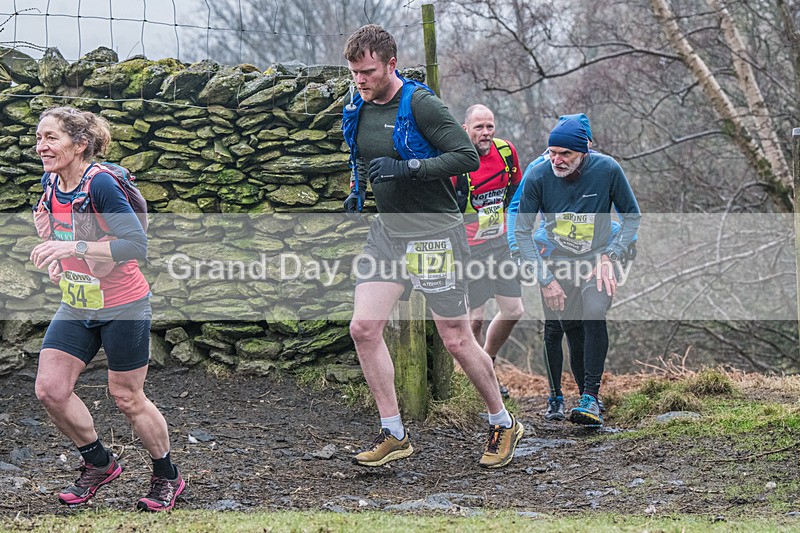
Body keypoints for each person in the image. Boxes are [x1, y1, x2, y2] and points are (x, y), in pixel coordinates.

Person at [342, 24, 523, 468]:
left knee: (457, 338)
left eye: (367, 72)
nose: (360, 81)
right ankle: (394, 433)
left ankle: (502, 421)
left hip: (432, 236)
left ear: (391, 65)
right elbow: (363, 155)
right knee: (363, 329)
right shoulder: (358, 106)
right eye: (354, 73)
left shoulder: (420, 104)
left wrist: (409, 169)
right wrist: (358, 189)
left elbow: (466, 156)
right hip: (388, 233)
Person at [29, 107, 184, 511]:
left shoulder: (100, 184)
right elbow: (57, 226)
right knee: (50, 389)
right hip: (78, 303)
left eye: (51, 138)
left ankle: (167, 477)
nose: (40, 146)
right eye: (39, 137)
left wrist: (73, 248)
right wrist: (56, 260)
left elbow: (136, 245)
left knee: (127, 396)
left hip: (124, 303)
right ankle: (98, 463)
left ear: (79, 144)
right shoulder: (52, 183)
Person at [513, 117, 641, 427]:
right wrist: (545, 279)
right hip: (557, 260)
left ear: (584, 151)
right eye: (552, 151)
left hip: (597, 260)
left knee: (594, 312)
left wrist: (612, 255)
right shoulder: (539, 175)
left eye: (565, 154)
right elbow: (521, 231)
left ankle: (591, 398)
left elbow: (632, 217)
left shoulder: (607, 170)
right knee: (564, 327)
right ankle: (568, 394)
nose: (556, 160)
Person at [452, 104, 524, 399]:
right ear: (465, 128)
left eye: (490, 127)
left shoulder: (506, 152)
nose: (485, 133)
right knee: (474, 320)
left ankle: (487, 361)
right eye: (479, 127)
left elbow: (518, 189)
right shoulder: (457, 161)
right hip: (471, 250)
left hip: (500, 243)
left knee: (514, 310)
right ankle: (472, 383)